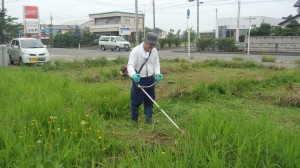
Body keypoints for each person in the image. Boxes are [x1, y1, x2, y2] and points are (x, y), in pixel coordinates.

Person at [127, 32, 163, 125]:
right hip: (138, 79)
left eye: (154, 44)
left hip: (150, 79)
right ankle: (134, 121)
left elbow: (156, 64)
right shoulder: (136, 51)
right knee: (136, 100)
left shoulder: (154, 51)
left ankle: (148, 119)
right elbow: (130, 66)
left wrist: (158, 73)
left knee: (150, 99)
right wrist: (133, 75)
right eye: (150, 44)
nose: (152, 46)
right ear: (145, 41)